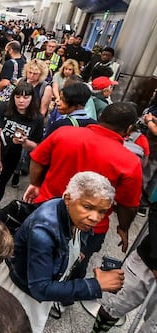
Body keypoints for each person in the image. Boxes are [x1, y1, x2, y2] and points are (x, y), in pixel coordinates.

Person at [0, 171, 125, 333]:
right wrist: (95, 285)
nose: (95, 218)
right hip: (19, 296)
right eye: (88, 207)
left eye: (102, 211)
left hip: (30, 291)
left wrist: (77, 252)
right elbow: (40, 289)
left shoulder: (71, 214)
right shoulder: (43, 231)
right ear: (68, 199)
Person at [23, 103, 142, 285]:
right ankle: (63, 298)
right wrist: (123, 228)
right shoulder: (130, 162)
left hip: (46, 209)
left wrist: (35, 184)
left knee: (31, 254)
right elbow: (128, 205)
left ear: (100, 117)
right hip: (89, 227)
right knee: (75, 264)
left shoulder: (65, 133)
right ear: (129, 129)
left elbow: (37, 159)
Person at [0, 82, 44, 202]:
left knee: (0, 185)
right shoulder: (2, 107)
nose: (21, 101)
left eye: (25, 97)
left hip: (12, 155)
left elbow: (37, 146)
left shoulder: (37, 118)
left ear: (32, 99)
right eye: (18, 97)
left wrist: (24, 142)